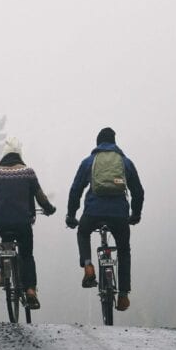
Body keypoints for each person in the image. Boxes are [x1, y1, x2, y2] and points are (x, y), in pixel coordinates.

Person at [65, 127, 145, 310]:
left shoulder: (89, 161)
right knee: (124, 250)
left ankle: (88, 266)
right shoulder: (125, 162)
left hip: (93, 212)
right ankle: (124, 295)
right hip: (119, 215)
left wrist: (71, 215)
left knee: (83, 232)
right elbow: (138, 191)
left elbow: (75, 190)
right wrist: (136, 214)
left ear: (98, 143)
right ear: (114, 143)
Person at [0, 137, 57, 309]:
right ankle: (30, 290)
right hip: (22, 222)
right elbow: (41, 197)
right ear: (19, 155)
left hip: (0, 222)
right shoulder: (28, 172)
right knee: (26, 254)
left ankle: (3, 272)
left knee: (5, 237)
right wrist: (49, 208)